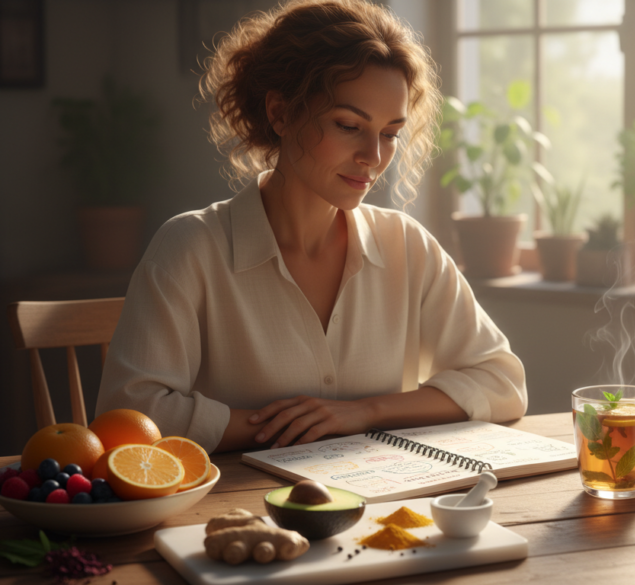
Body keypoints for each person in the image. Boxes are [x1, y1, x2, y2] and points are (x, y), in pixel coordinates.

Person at [95, 0, 527, 454]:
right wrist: (299, 425)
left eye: (389, 133)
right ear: (280, 113)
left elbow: (501, 382)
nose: (373, 158)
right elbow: (129, 415)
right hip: (233, 511)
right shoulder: (190, 248)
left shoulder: (406, 245)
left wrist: (365, 412)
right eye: (348, 125)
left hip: (377, 509)